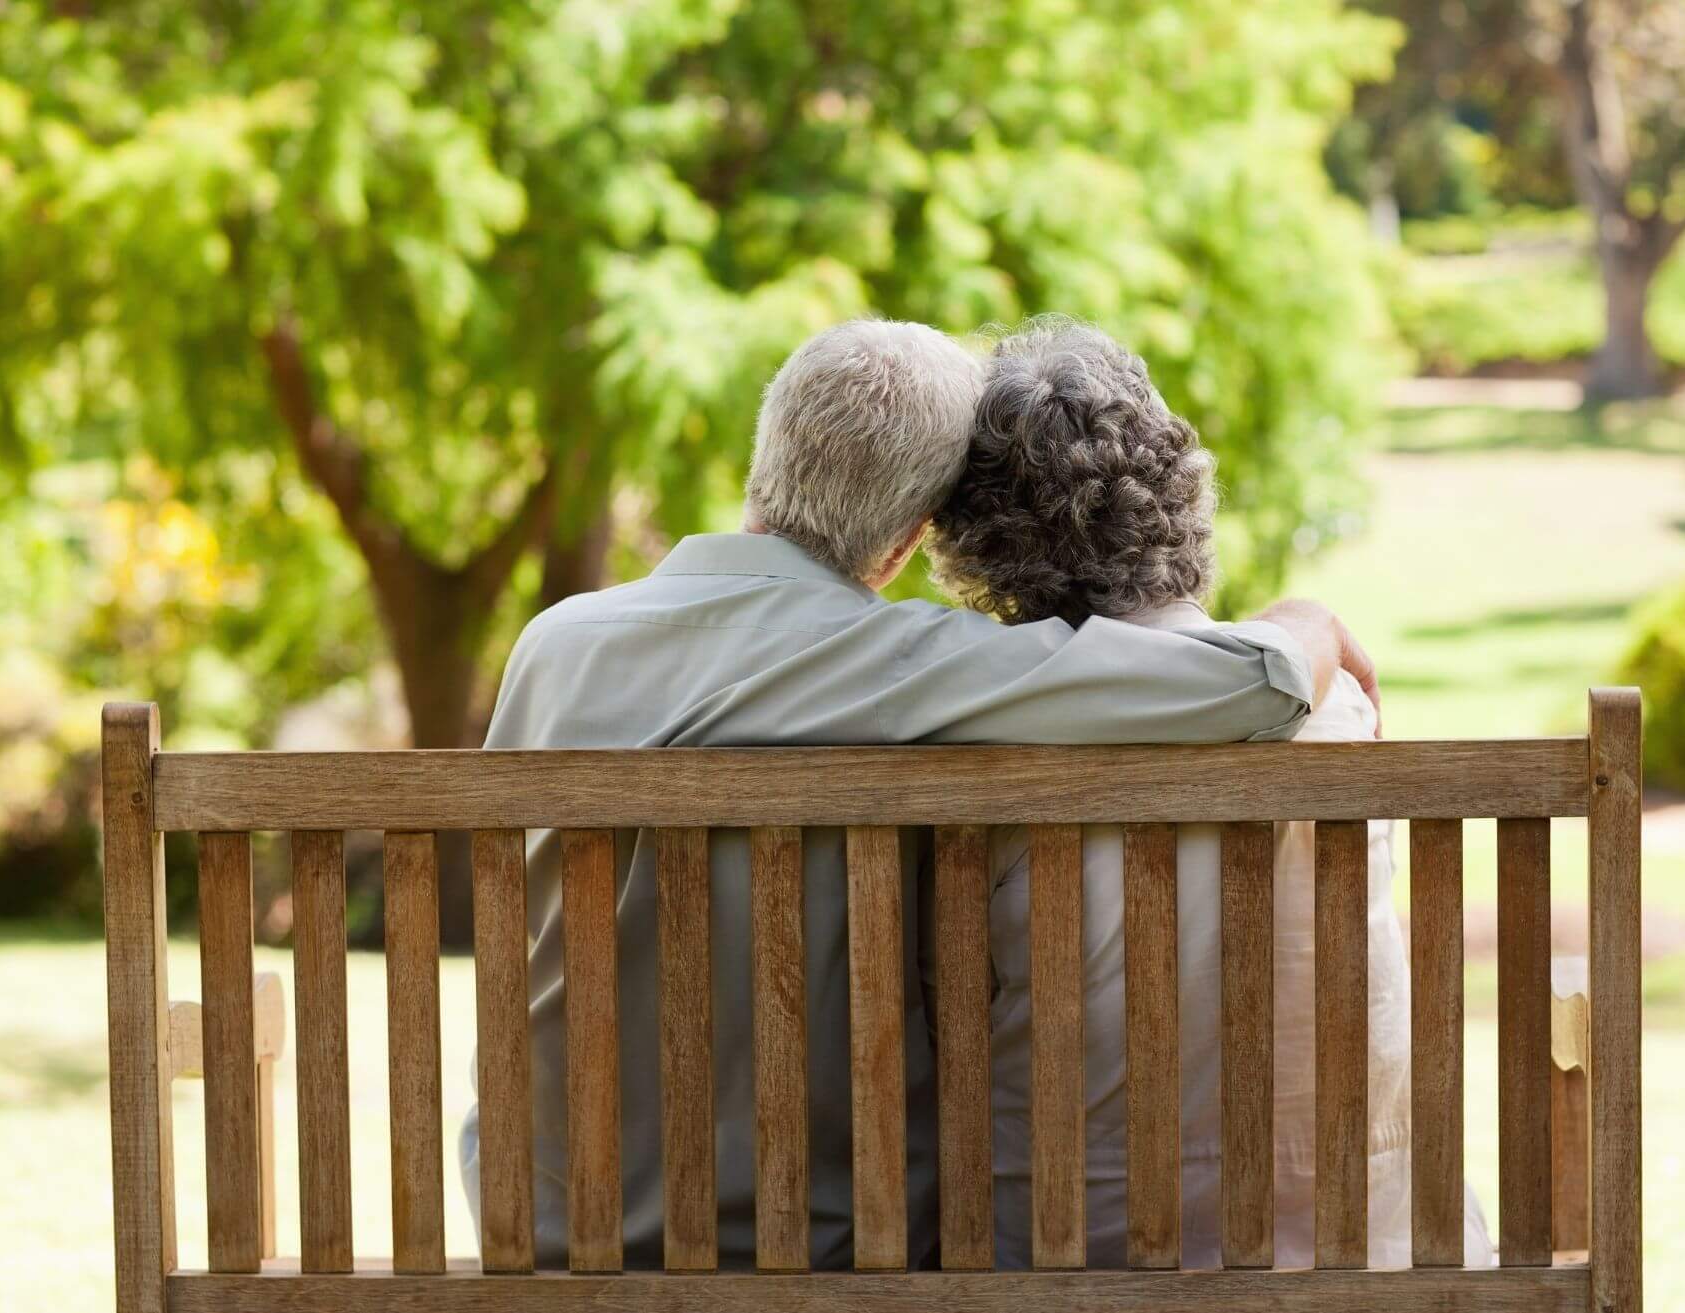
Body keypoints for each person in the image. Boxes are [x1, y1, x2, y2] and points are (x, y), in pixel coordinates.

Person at [465, 318, 1379, 1269]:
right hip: (809, 1245)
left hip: (540, 1231)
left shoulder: (553, 644)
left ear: (765, 456)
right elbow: (1250, 684)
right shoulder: (887, 664)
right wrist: (1305, 620)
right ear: (905, 545)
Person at [929, 318, 1494, 1269]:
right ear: (1180, 500)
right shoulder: (1337, 704)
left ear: (981, 547)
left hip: (1070, 1253)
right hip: (1366, 1249)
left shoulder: (982, 736)